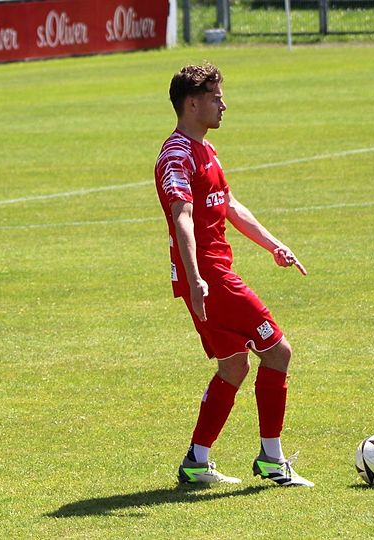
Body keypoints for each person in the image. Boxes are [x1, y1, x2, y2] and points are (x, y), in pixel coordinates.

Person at [154, 63, 313, 487]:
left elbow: (230, 205)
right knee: (278, 352)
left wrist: (274, 245)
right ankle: (272, 460)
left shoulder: (205, 150)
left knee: (234, 366)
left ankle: (196, 461)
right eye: (215, 98)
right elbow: (182, 218)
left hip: (211, 274)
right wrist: (196, 278)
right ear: (192, 104)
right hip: (211, 278)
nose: (224, 105)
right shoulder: (176, 155)